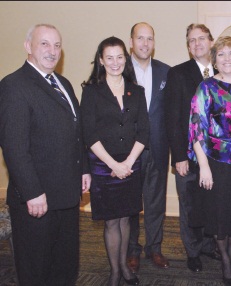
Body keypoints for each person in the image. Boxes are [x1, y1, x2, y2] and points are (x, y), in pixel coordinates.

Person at [0, 24, 91, 286]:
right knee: (36, 271)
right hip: (36, 201)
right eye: (44, 44)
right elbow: (14, 147)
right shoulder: (13, 86)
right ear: (28, 46)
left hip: (66, 197)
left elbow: (77, 132)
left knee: (64, 266)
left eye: (57, 45)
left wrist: (83, 168)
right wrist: (31, 192)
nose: (52, 51)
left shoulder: (62, 83)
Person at [188, 36, 231, 286]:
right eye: (221, 54)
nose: (227, 59)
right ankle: (226, 259)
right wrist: (204, 166)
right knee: (220, 214)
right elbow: (196, 129)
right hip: (217, 161)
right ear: (214, 59)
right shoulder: (206, 88)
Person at [80, 36, 149, 286]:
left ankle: (124, 266)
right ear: (101, 60)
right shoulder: (91, 92)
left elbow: (144, 132)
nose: (115, 62)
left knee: (126, 217)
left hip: (132, 164)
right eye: (109, 57)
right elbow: (89, 134)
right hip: (103, 165)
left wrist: (128, 163)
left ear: (125, 58)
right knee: (111, 221)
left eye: (119, 56)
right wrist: (114, 165)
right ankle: (115, 271)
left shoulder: (136, 91)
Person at [164, 23, 221, 273]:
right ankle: (193, 251)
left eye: (201, 38)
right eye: (191, 40)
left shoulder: (224, 70)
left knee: (211, 204)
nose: (197, 44)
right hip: (187, 155)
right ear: (188, 46)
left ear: (211, 41)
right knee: (189, 205)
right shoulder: (178, 74)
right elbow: (173, 118)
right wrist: (178, 156)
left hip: (218, 157)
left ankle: (209, 245)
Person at [126, 22, 171, 273]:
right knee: (131, 203)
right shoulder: (119, 71)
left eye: (149, 38)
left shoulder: (166, 72)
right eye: (140, 38)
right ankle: (132, 250)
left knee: (156, 202)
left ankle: (154, 247)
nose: (145, 43)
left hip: (157, 148)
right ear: (131, 41)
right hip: (128, 152)